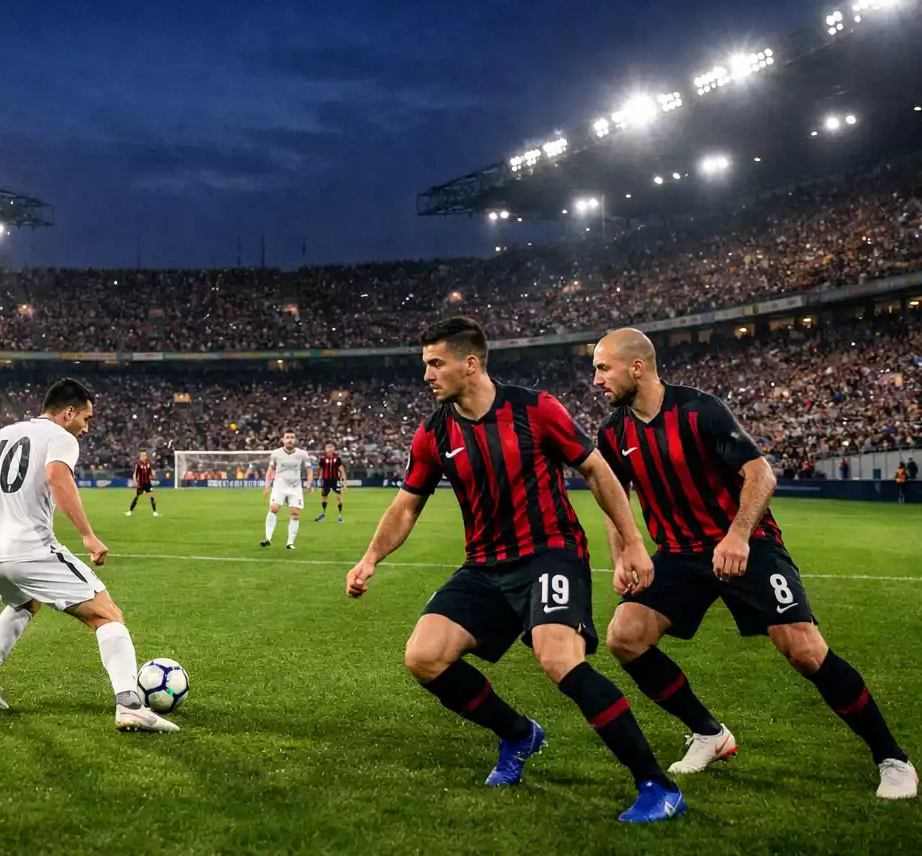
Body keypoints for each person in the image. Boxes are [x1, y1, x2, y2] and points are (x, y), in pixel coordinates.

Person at [346, 317, 683, 823]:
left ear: (470, 363)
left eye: (435, 363)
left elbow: (596, 469)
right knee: (424, 656)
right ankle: (518, 734)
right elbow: (407, 504)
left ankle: (657, 785)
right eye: (425, 365)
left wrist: (633, 544)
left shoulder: (534, 409)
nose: (427, 375)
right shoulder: (433, 432)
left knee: (558, 658)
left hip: (551, 553)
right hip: (484, 566)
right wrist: (371, 557)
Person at [593, 328, 916, 800]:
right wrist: (624, 553)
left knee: (803, 649)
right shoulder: (612, 433)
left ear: (636, 367)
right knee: (625, 637)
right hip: (680, 553)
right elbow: (613, 496)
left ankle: (893, 758)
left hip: (746, 543)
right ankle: (709, 734)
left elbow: (760, 474)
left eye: (604, 368)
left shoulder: (699, 410)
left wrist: (738, 535)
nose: (597, 379)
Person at [0, 378, 177, 732]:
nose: (86, 427)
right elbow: (57, 478)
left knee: (24, 602)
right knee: (107, 614)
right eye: (86, 418)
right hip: (28, 550)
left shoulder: (2, 435)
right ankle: (130, 705)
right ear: (68, 413)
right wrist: (88, 536)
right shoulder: (60, 437)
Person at [260, 430, 312, 550]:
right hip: (280, 486)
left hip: (295, 487)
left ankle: (290, 543)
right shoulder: (276, 453)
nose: (290, 440)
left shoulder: (302, 454)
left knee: (294, 513)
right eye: (287, 437)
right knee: (274, 508)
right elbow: (270, 470)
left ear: (295, 440)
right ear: (283, 440)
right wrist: (267, 486)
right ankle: (268, 539)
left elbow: (309, 470)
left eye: (292, 437)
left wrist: (309, 484)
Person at [314, 442, 346, 522]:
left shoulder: (337, 459)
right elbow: (319, 468)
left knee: (339, 497)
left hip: (336, 480)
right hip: (326, 481)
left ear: (333, 449)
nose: (329, 450)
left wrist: (344, 482)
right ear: (325, 450)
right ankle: (323, 513)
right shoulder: (323, 459)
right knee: (324, 498)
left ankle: (340, 516)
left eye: (331, 448)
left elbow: (342, 470)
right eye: (328, 448)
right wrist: (317, 476)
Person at [125, 450, 159, 517]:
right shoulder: (138, 465)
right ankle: (130, 511)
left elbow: (150, 473)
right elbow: (135, 474)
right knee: (136, 497)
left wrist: (153, 476)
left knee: (151, 497)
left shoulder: (148, 464)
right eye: (142, 456)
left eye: (144, 455)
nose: (143, 457)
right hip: (141, 484)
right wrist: (135, 482)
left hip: (148, 484)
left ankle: (155, 512)